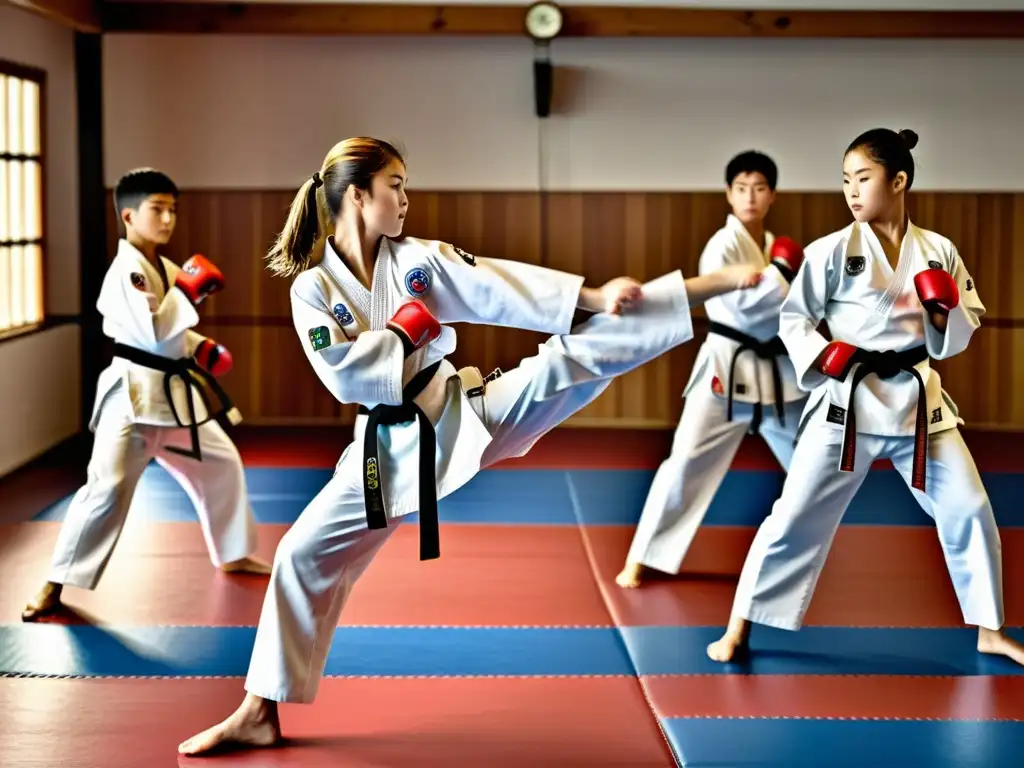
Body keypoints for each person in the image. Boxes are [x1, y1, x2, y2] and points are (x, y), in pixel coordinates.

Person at [177, 136, 765, 755]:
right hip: (384, 447)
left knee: (565, 361)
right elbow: (345, 375)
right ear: (357, 194)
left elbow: (499, 285)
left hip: (460, 416)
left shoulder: (417, 260)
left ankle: (697, 293)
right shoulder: (312, 290)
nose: (406, 198)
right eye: (395, 185)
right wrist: (403, 334)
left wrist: (589, 298)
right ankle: (258, 710)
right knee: (299, 554)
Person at [706, 128, 1024, 667]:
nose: (852, 191)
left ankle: (991, 629)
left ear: (898, 182)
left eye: (864, 179)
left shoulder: (937, 250)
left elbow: (964, 324)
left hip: (919, 405)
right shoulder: (831, 249)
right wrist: (822, 352)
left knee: (970, 507)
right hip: (846, 403)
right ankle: (738, 625)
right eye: (845, 181)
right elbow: (795, 317)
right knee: (791, 517)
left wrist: (942, 312)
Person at [21, 168, 269, 622]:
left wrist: (201, 348)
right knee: (107, 489)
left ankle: (232, 553)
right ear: (129, 216)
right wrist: (189, 294)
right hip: (133, 398)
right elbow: (152, 332)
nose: (169, 219)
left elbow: (176, 337)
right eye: (158, 209)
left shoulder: (167, 268)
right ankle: (54, 582)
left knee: (222, 464)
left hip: (174, 400)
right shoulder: (125, 274)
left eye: (173, 209)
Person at [616, 151, 807, 589]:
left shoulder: (770, 242)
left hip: (775, 375)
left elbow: (792, 309)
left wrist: (779, 278)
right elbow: (745, 306)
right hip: (726, 368)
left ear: (772, 194)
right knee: (684, 462)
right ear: (729, 193)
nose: (751, 197)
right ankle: (642, 557)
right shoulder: (722, 246)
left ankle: (800, 554)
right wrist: (779, 273)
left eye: (759, 188)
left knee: (811, 466)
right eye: (742, 188)